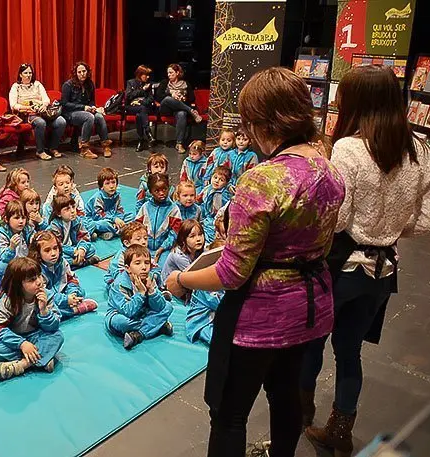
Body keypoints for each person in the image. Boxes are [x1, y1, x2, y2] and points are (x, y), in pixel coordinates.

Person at [165, 67, 345, 457]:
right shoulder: (330, 169)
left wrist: (183, 278)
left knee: (229, 414)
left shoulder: (262, 179)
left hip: (258, 318)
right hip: (309, 308)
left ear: (264, 123)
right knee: (286, 398)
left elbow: (232, 272)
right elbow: (321, 243)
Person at [301, 66, 430, 457]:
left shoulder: (348, 148)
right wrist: (390, 225)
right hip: (382, 273)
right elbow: (428, 221)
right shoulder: (421, 149)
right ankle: (341, 431)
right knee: (350, 353)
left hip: (339, 268)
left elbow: (339, 219)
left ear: (355, 101)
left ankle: (299, 417)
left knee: (311, 347)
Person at [0, 257, 64, 381]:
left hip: (35, 335)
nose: (39, 282)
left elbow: (53, 326)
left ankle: (23, 365)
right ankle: (43, 357)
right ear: (18, 284)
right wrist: (22, 344)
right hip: (14, 338)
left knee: (58, 336)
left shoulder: (47, 295)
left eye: (39, 276)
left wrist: (44, 311)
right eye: (32, 280)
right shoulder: (9, 300)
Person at [106, 245, 174, 350]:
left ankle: (139, 335)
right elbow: (127, 311)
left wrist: (152, 292)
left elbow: (160, 307)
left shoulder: (150, 277)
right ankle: (157, 325)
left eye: (147, 263)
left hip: (143, 312)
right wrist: (141, 293)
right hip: (124, 314)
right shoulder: (119, 285)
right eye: (137, 263)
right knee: (120, 321)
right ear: (127, 268)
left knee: (168, 307)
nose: (144, 267)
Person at [28, 231, 98, 319]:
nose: (53, 253)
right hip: (45, 299)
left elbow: (71, 278)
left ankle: (72, 304)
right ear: (38, 253)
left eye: (55, 248)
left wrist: (73, 293)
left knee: (80, 292)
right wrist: (65, 300)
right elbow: (41, 293)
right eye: (47, 250)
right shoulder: (35, 269)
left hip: (61, 293)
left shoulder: (62, 262)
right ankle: (74, 310)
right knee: (41, 311)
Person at [9, 63, 66, 160]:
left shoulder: (37, 84)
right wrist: (27, 108)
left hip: (43, 111)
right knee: (40, 122)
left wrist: (44, 105)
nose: (28, 75)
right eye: (26, 73)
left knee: (61, 121)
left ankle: (53, 148)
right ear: (20, 75)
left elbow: (46, 99)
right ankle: (40, 151)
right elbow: (13, 105)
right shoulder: (16, 86)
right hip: (27, 113)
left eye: (30, 73)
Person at [60, 61, 113, 158]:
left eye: (84, 71)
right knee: (89, 117)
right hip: (70, 113)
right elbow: (64, 104)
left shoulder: (90, 84)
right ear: (75, 73)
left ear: (87, 72)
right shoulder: (68, 85)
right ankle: (84, 149)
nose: (82, 74)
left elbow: (92, 101)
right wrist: (83, 107)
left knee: (99, 117)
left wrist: (93, 107)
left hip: (85, 111)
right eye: (79, 72)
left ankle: (105, 145)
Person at [154, 63, 202, 153]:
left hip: (179, 108)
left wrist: (183, 98)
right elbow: (158, 97)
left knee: (182, 114)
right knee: (168, 99)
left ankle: (179, 144)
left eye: (171, 73)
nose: (169, 75)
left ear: (177, 73)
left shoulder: (185, 84)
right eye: (168, 73)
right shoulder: (165, 83)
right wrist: (171, 94)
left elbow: (192, 98)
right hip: (166, 108)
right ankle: (191, 111)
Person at [135, 173, 182, 263]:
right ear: (150, 191)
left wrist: (162, 248)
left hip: (164, 249)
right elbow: (137, 227)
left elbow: (175, 233)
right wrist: (141, 244)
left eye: (164, 189)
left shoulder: (174, 209)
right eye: (157, 191)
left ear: (169, 188)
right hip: (144, 246)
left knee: (163, 266)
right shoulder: (145, 207)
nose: (161, 193)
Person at [47, 194, 100, 268]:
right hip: (63, 251)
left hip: (75, 248)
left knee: (91, 249)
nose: (72, 211)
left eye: (73, 207)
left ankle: (74, 263)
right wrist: (73, 251)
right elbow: (57, 246)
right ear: (59, 213)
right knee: (57, 258)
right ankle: (79, 262)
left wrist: (82, 249)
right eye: (67, 209)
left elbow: (85, 237)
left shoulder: (77, 220)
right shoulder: (54, 226)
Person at [84, 167, 135, 240]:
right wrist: (114, 219)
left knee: (131, 216)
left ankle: (109, 232)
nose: (111, 186)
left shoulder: (117, 195)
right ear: (101, 187)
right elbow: (98, 215)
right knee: (104, 224)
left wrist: (119, 220)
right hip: (96, 219)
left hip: (112, 218)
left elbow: (119, 210)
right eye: (107, 183)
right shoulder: (98, 197)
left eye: (113, 182)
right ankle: (120, 231)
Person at [0, 201, 34, 278]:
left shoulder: (28, 229)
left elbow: (35, 241)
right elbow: (4, 258)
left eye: (23, 217)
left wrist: (34, 241)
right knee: (2, 267)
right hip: (9, 260)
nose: (21, 221)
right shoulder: (2, 234)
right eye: (16, 218)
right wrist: (11, 248)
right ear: (7, 219)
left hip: (25, 258)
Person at [124, 65, 156, 152]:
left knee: (139, 114)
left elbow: (151, 98)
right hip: (131, 107)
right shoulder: (131, 82)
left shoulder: (149, 84)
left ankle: (141, 140)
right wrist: (142, 90)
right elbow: (128, 96)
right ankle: (148, 132)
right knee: (141, 110)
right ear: (140, 74)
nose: (148, 77)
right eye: (146, 75)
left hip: (143, 107)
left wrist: (141, 102)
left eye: (148, 75)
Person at [200, 165, 233, 245]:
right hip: (205, 218)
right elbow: (201, 202)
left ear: (226, 183)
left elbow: (222, 212)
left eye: (221, 180)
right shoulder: (208, 188)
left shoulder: (225, 194)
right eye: (215, 177)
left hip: (216, 221)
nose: (217, 181)